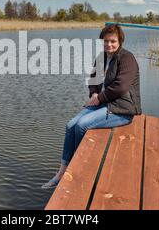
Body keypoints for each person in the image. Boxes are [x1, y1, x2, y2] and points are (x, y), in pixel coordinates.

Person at [42, 24, 142, 189]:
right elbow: (93, 79)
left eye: (112, 41)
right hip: (102, 102)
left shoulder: (127, 59)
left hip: (122, 108)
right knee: (70, 125)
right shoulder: (102, 57)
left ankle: (79, 167)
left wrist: (99, 98)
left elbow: (121, 86)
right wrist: (94, 94)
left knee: (82, 125)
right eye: (105, 41)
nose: (108, 45)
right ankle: (62, 171)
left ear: (120, 41)